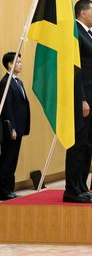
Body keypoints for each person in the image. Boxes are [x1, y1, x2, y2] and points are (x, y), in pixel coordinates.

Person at [64, 0, 92, 204]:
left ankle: (82, 186)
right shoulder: (75, 34)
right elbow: (75, 70)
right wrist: (82, 99)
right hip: (84, 100)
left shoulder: (89, 34)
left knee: (88, 144)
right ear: (81, 13)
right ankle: (71, 190)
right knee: (78, 145)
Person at [0, 52, 30, 201]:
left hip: (19, 128)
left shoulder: (18, 82)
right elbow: (7, 108)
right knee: (7, 160)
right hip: (10, 129)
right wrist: (11, 127)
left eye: (20, 61)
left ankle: (9, 188)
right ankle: (3, 191)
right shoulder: (5, 83)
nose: (20, 64)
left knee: (13, 160)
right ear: (9, 65)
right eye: (17, 62)